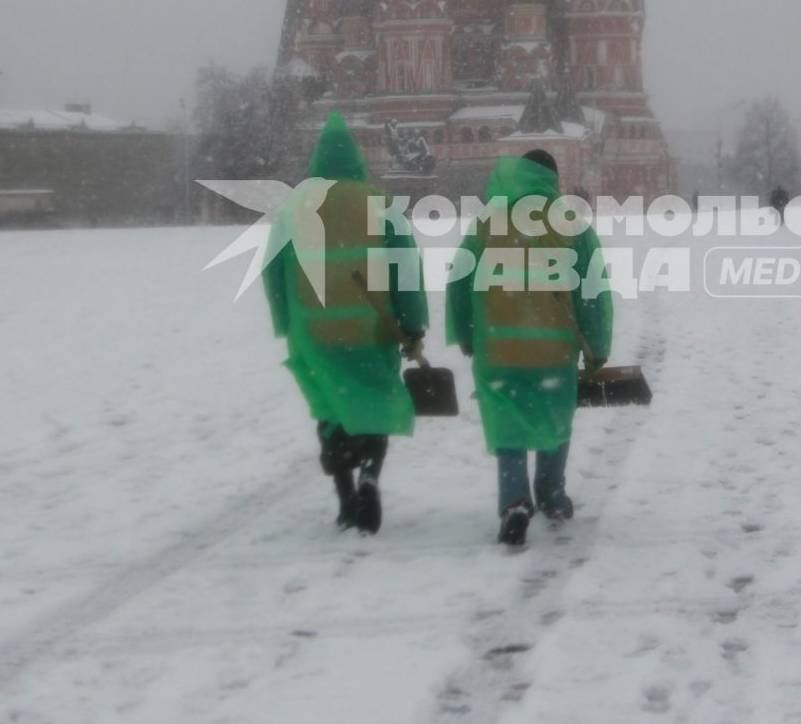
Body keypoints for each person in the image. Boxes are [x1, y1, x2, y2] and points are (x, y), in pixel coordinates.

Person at [261, 111, 429, 534]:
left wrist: (286, 322)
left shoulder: (293, 209)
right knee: (372, 404)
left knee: (331, 408)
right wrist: (413, 326)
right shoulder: (380, 205)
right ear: (356, 162)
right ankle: (370, 475)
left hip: (314, 331)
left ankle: (345, 496)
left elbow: (274, 272)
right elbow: (405, 268)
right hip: (370, 328)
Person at [448, 150, 612, 547]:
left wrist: (467, 336)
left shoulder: (486, 225)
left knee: (508, 423)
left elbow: (460, 283)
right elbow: (593, 292)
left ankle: (515, 502)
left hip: (499, 349)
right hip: (553, 350)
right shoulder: (572, 225)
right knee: (555, 417)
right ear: (551, 181)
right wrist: (597, 347)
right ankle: (552, 494)